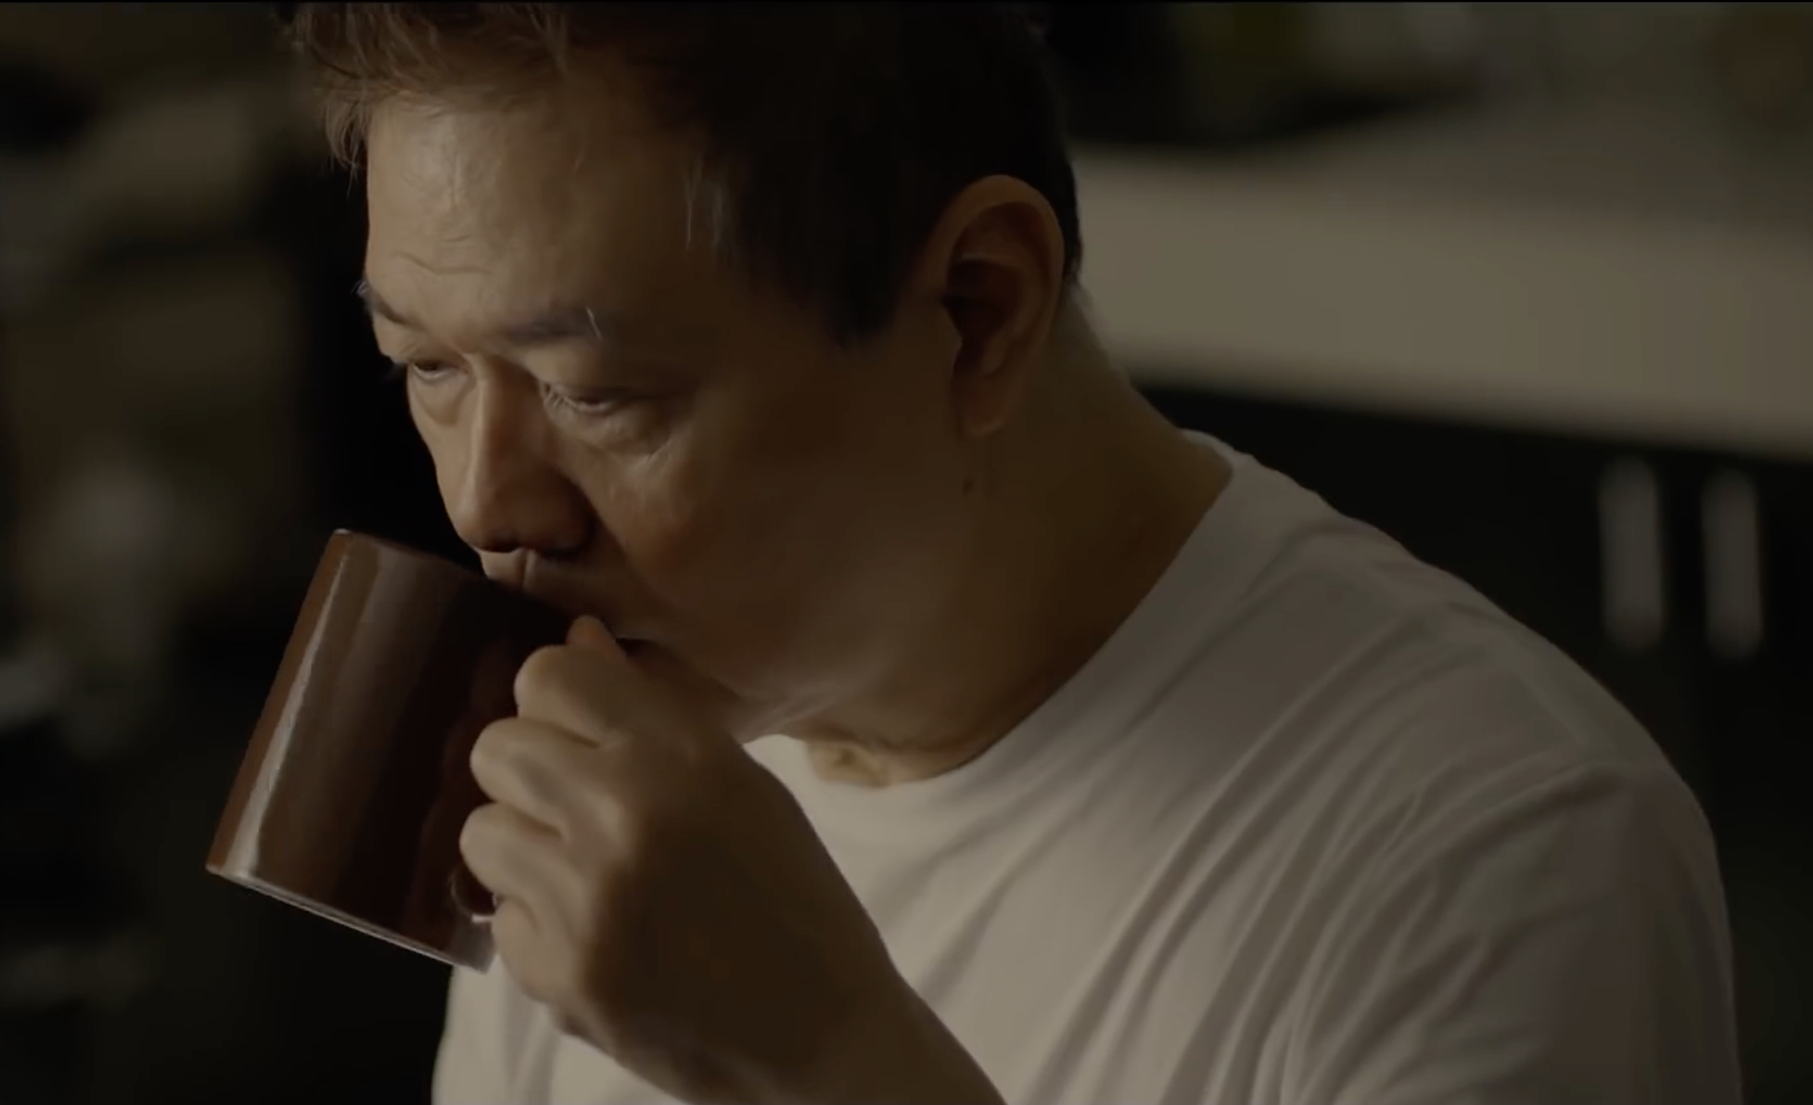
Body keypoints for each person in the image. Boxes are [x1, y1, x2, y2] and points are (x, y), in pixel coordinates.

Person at [281, 4, 1742, 1103]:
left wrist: (827, 1060)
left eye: (596, 395)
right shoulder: (590, 783)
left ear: (978, 312)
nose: (486, 504)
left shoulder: (1500, 857)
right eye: (426, 367)